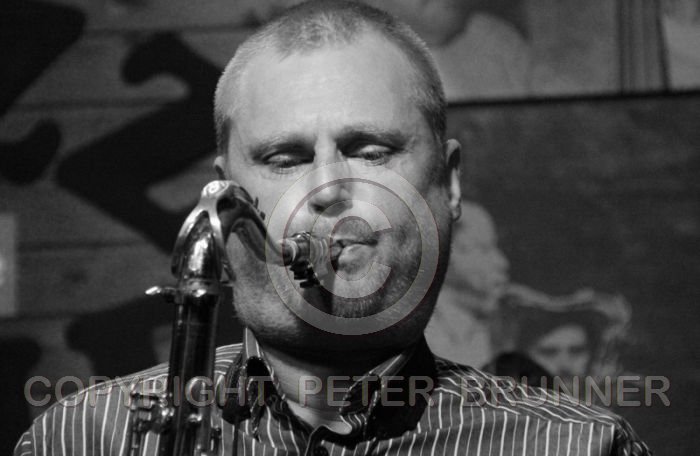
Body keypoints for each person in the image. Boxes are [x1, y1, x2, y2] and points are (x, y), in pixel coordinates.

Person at [15, 1, 650, 455]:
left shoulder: (577, 447)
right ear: (225, 196)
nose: (325, 190)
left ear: (449, 183)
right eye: (283, 158)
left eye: (371, 150)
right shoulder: (80, 439)